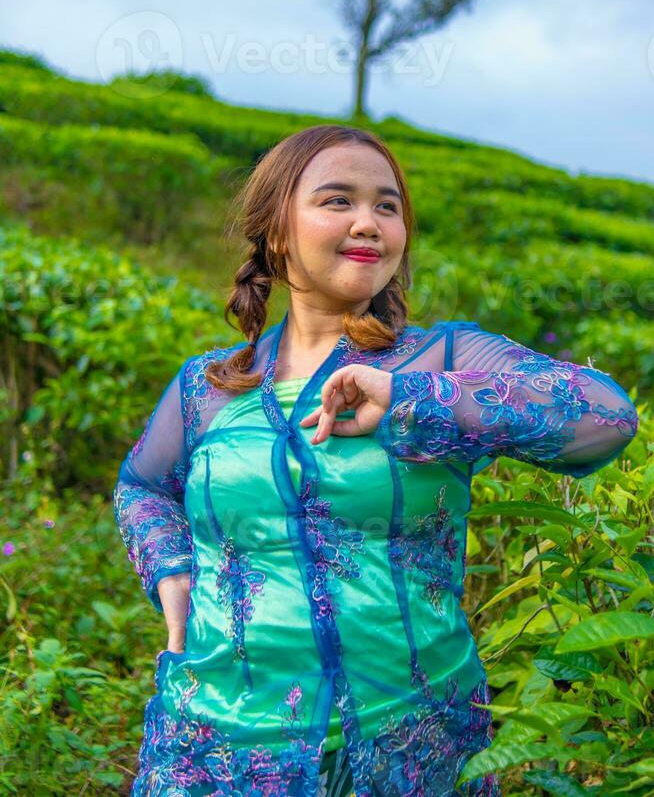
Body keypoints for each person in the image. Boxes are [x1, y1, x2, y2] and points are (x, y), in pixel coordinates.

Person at [113, 125, 639, 796]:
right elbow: (143, 488)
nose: (369, 222)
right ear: (276, 232)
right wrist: (172, 576)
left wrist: (408, 396)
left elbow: (606, 417)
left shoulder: (441, 358)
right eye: (338, 201)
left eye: (387, 207)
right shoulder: (208, 386)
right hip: (219, 740)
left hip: (405, 739)